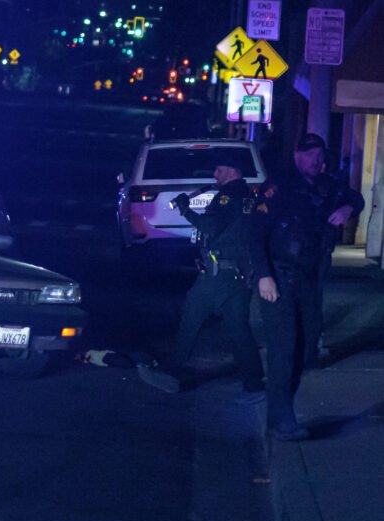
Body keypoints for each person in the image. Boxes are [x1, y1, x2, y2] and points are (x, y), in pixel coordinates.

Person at [138, 152, 270, 401]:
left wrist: (185, 210)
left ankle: (171, 372)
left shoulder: (226, 197)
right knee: (238, 327)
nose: (215, 175)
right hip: (238, 273)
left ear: (232, 172)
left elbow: (209, 227)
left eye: (219, 170)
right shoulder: (247, 198)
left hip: (219, 275)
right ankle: (254, 382)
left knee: (191, 313)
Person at [264, 132, 365, 366]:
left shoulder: (329, 185)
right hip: (286, 262)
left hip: (316, 260)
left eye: (319, 155)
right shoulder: (282, 184)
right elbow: (260, 227)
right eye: (309, 154)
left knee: (311, 309)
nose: (315, 160)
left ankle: (309, 355)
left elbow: (356, 199)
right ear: (296, 155)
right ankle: (287, 357)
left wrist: (347, 209)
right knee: (286, 314)